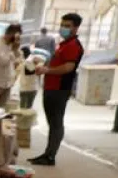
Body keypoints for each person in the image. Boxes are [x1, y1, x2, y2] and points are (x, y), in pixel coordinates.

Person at [30, 12, 84, 167]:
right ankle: (48, 153)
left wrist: (48, 71)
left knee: (56, 122)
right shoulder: (64, 44)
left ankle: (50, 156)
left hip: (59, 89)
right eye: (62, 25)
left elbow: (68, 67)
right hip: (51, 87)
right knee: (52, 122)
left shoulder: (73, 46)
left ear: (76, 28)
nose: (63, 28)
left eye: (67, 26)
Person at [18, 47, 43, 112]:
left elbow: (30, 70)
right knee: (28, 109)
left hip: (25, 89)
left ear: (23, 53)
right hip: (33, 88)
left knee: (23, 110)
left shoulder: (27, 61)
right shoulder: (35, 60)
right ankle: (27, 121)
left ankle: (24, 121)